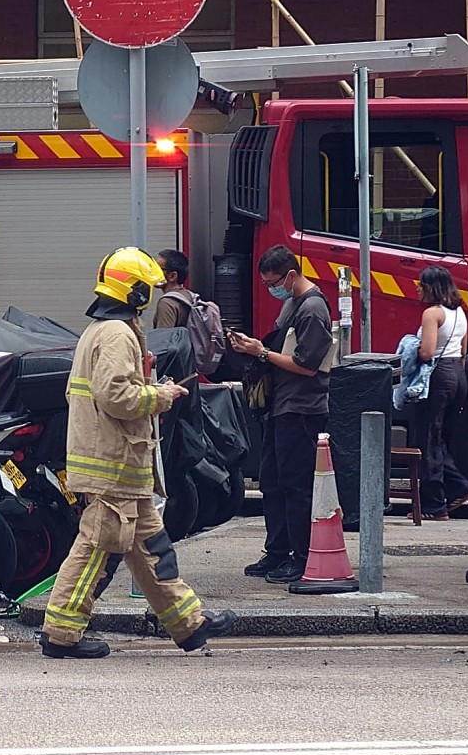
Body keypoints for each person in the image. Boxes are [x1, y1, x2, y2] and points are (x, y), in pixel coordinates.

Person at [38, 247, 237, 659]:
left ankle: (189, 625)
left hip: (123, 464)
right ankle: (60, 634)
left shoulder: (103, 330)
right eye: (148, 288)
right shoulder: (115, 334)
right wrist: (160, 395)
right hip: (113, 464)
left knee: (151, 549)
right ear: (134, 291)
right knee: (96, 548)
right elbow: (116, 396)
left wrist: (150, 387)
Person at [228, 244, 333, 585]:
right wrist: (256, 350)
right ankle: (277, 551)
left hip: (302, 408)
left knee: (296, 484)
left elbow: (306, 365)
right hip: (281, 405)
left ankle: (301, 558)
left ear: (290, 275)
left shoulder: (313, 309)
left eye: (272, 281)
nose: (270, 288)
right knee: (272, 481)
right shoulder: (292, 303)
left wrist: (262, 352)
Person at [411, 265, 468, 522]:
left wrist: (408, 351)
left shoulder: (432, 314)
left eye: (421, 285)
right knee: (440, 438)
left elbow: (427, 352)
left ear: (431, 287)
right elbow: (463, 350)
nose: (417, 290)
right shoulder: (460, 312)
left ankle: (438, 504)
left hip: (437, 377)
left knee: (428, 440)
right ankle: (453, 490)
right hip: (457, 375)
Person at [153, 249, 192, 330]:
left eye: (158, 269)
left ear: (172, 276)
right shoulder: (190, 296)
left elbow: (163, 340)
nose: (153, 272)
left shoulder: (167, 303)